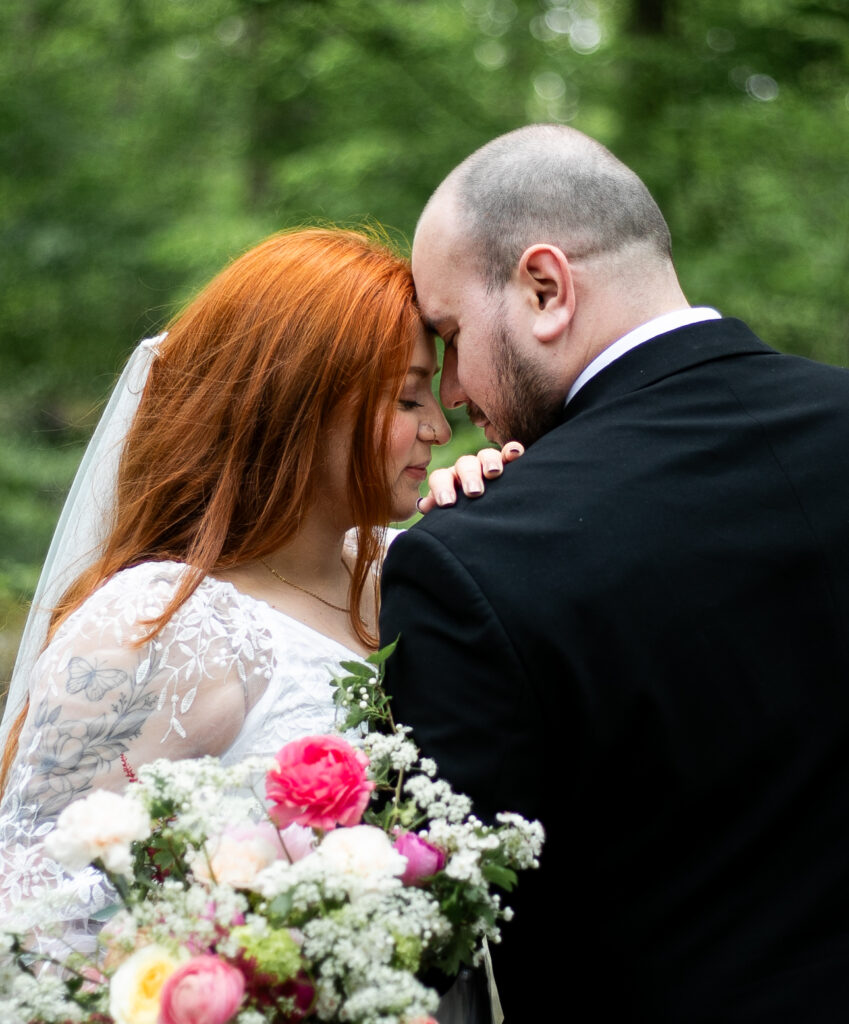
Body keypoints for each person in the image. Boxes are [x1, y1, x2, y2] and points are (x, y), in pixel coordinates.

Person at [379, 123, 849, 1023]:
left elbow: (444, 949)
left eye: (449, 333)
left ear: (544, 289)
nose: (447, 392)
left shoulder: (474, 559)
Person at [0, 227, 512, 990]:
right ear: (298, 404)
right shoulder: (157, 622)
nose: (439, 428)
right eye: (407, 397)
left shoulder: (415, 574)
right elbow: (32, 923)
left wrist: (497, 503)